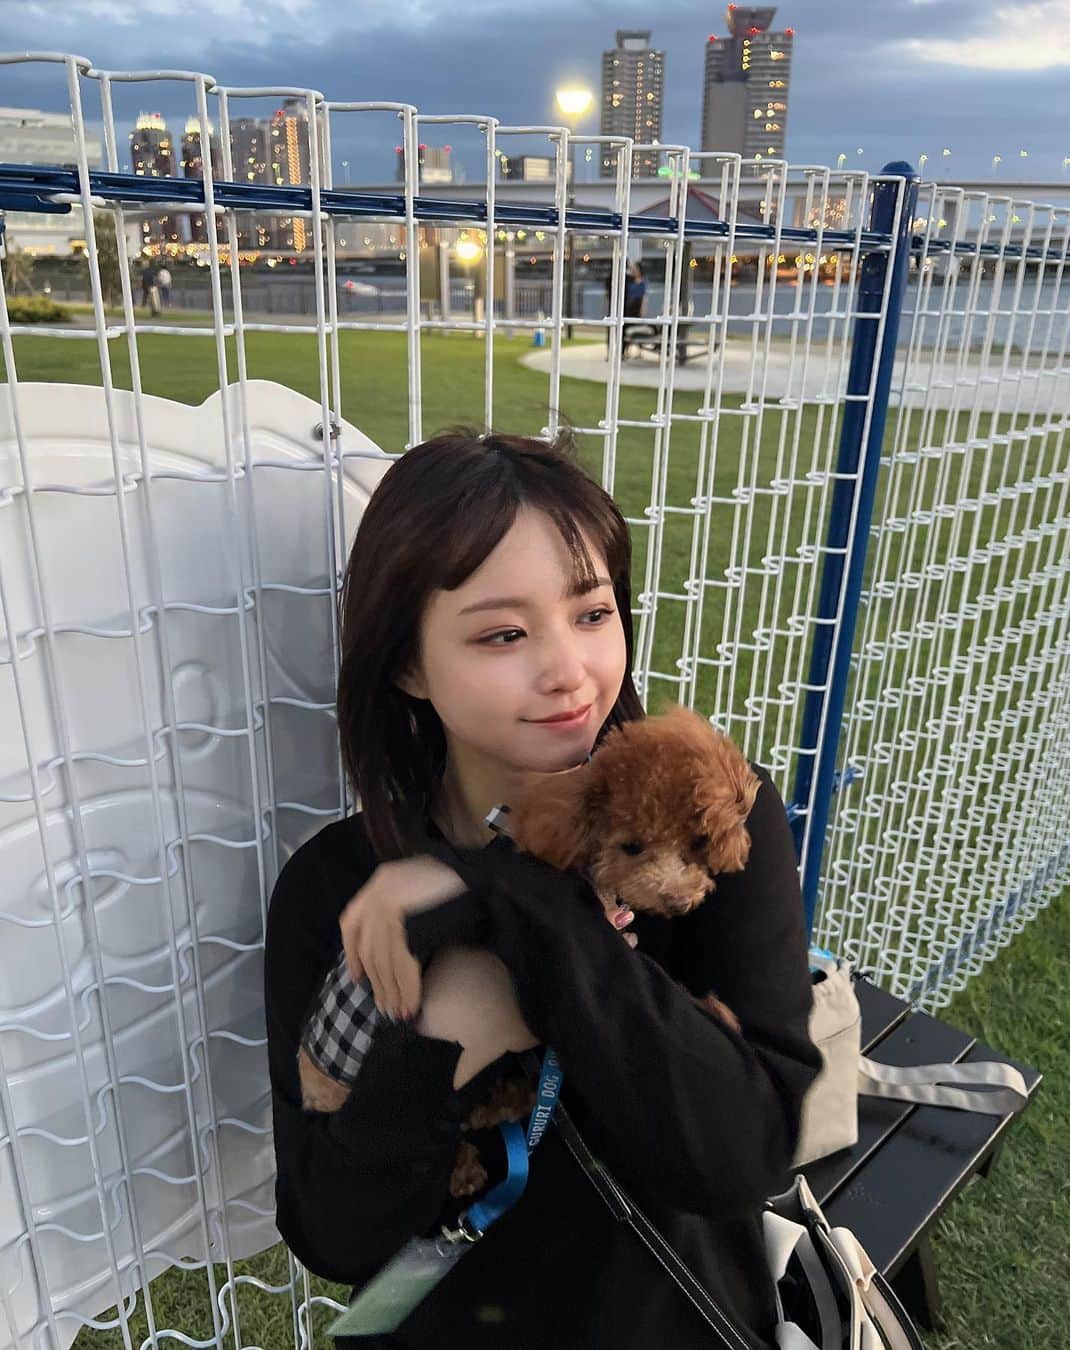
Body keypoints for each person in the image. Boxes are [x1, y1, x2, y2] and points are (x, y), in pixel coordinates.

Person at [263, 428, 822, 1350]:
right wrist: (446, 1040)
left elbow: (742, 1154)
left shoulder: (708, 826)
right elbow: (331, 1233)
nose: (569, 671)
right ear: (407, 663)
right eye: (504, 633)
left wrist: (520, 913)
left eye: (593, 614)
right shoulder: (338, 890)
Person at [621, 260, 649, 356]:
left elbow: (644, 296)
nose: (634, 270)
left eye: (635, 269)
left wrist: (643, 309)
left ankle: (639, 350)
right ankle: (626, 350)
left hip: (637, 305)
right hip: (630, 305)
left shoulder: (643, 281)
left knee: (636, 327)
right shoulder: (630, 280)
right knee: (627, 327)